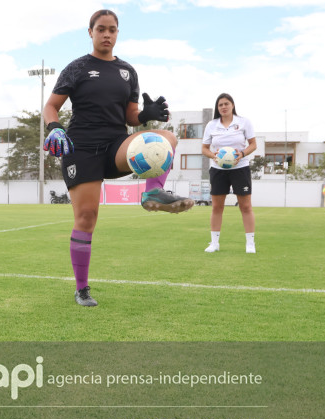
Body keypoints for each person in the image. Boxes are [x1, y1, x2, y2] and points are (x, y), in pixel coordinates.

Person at [42, 9, 194, 307]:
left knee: (167, 138)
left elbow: (130, 117)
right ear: (91, 32)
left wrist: (146, 116)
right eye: (101, 29)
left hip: (115, 145)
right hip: (81, 149)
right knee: (87, 217)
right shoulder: (77, 68)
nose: (107, 34)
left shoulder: (127, 72)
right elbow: (51, 106)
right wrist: (55, 128)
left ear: (117, 33)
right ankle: (82, 289)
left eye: (112, 29)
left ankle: (152, 193)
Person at [201, 93, 257, 253]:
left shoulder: (244, 122)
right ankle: (214, 243)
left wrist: (243, 154)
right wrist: (214, 156)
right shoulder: (211, 125)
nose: (223, 107)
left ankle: (250, 244)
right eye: (220, 105)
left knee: (245, 206)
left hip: (240, 169)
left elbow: (253, 144)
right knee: (217, 207)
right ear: (217, 108)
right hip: (218, 170)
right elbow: (204, 149)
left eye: (226, 104)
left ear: (232, 105)